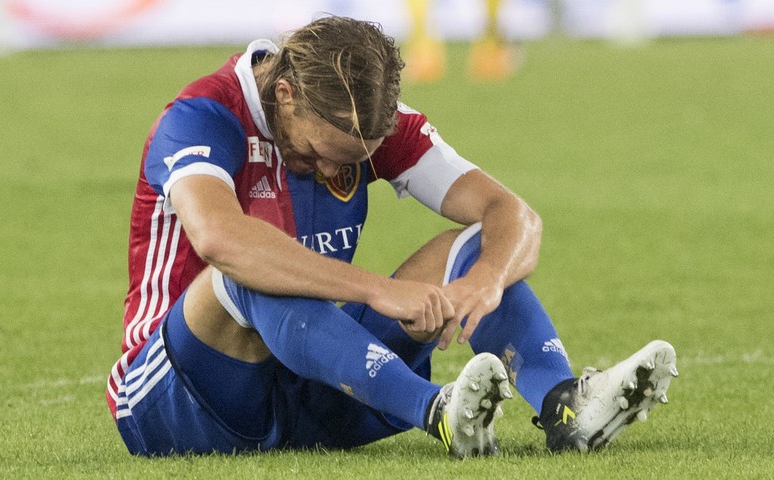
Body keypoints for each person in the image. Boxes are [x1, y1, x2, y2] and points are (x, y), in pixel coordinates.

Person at [106, 15, 678, 457]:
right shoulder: (203, 114)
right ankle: (438, 412)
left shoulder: (367, 123)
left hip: (307, 380)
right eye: (320, 154)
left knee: (477, 246)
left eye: (351, 163)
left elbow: (513, 214)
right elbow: (220, 240)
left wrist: (486, 281)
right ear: (284, 94)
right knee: (248, 265)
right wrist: (377, 290)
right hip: (177, 400)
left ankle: (566, 409)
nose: (335, 173)